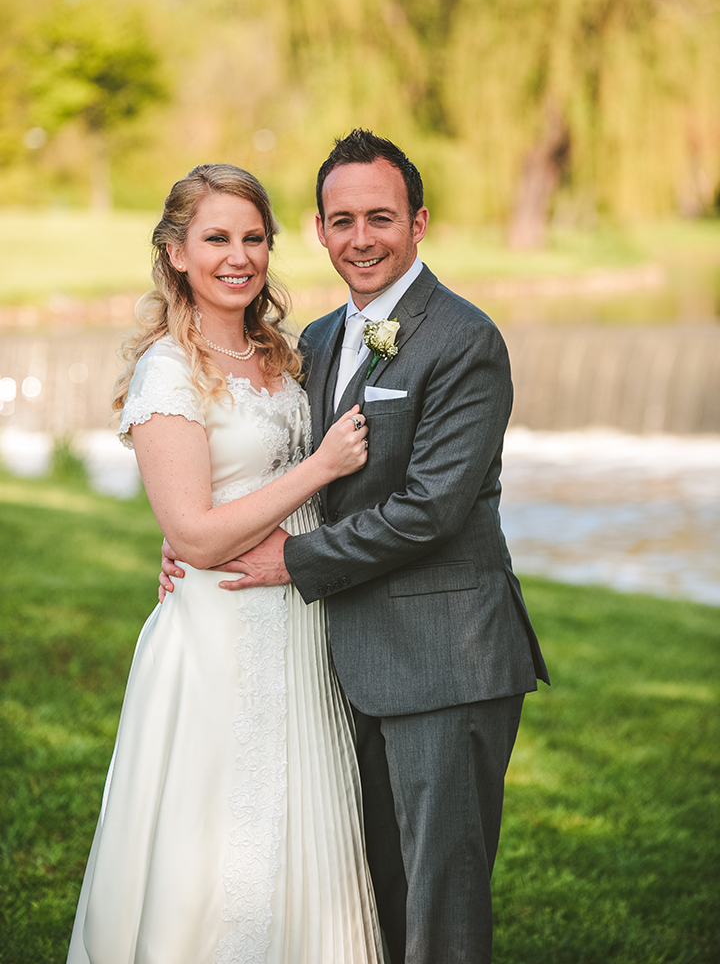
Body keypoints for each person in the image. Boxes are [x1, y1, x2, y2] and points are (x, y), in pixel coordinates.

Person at [162, 131, 550, 964]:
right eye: (343, 220)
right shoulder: (325, 336)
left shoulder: (463, 340)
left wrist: (285, 561)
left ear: (419, 222)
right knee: (370, 901)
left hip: (446, 661)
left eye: (381, 217)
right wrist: (202, 538)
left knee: (439, 907)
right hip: (343, 663)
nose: (361, 237)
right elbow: (291, 474)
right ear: (319, 228)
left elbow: (430, 510)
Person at [67, 164, 385, 964]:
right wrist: (319, 469)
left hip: (299, 626)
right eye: (216, 238)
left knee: (299, 824)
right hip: (217, 638)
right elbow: (200, 536)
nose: (238, 256)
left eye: (254, 238)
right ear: (177, 252)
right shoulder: (167, 370)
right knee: (213, 850)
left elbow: (210, 504)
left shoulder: (285, 354)